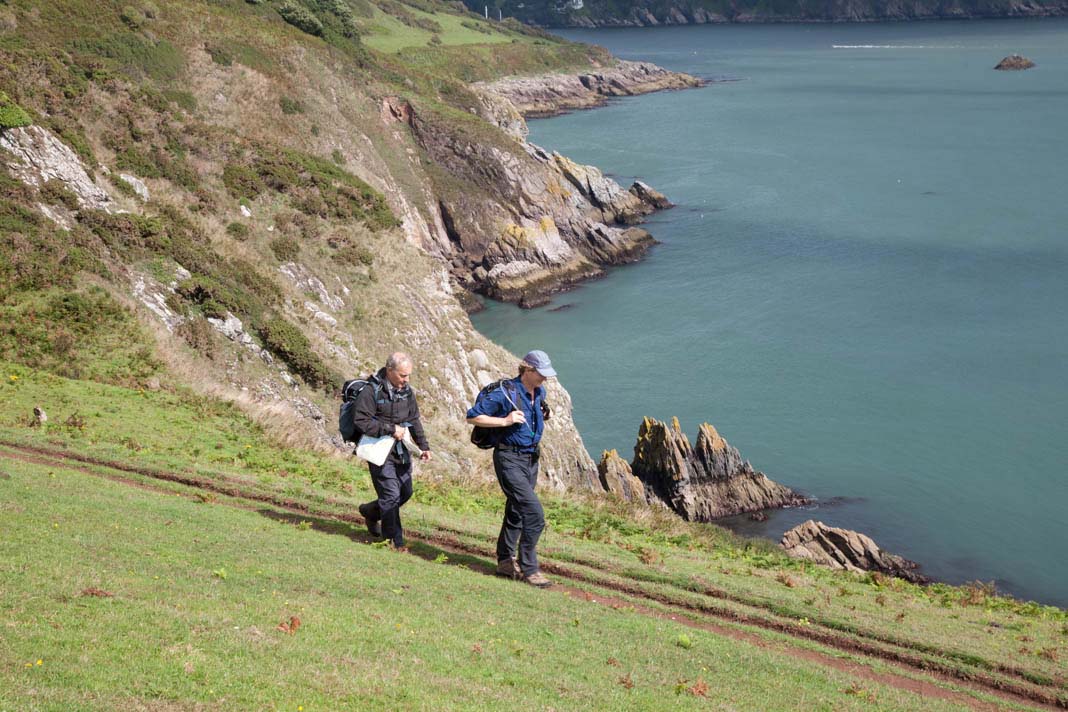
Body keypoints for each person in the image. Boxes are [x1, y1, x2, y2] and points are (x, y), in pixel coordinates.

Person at [466, 350, 556, 588]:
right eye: (541, 374)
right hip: (509, 458)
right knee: (534, 513)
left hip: (531, 459)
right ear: (527, 370)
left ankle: (505, 561)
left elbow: (535, 414)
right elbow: (473, 417)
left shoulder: (539, 391)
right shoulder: (504, 393)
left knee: (516, 510)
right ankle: (530, 568)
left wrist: (542, 414)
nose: (544, 379)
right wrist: (505, 421)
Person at [353, 352, 431, 549]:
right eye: (403, 375)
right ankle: (393, 542)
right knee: (390, 495)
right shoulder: (371, 391)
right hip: (378, 451)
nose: (406, 380)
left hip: (401, 449)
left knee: (405, 492)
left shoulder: (406, 391)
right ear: (389, 370)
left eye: (408, 376)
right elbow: (361, 421)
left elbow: (413, 419)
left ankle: (370, 512)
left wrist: (423, 446)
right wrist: (390, 429)